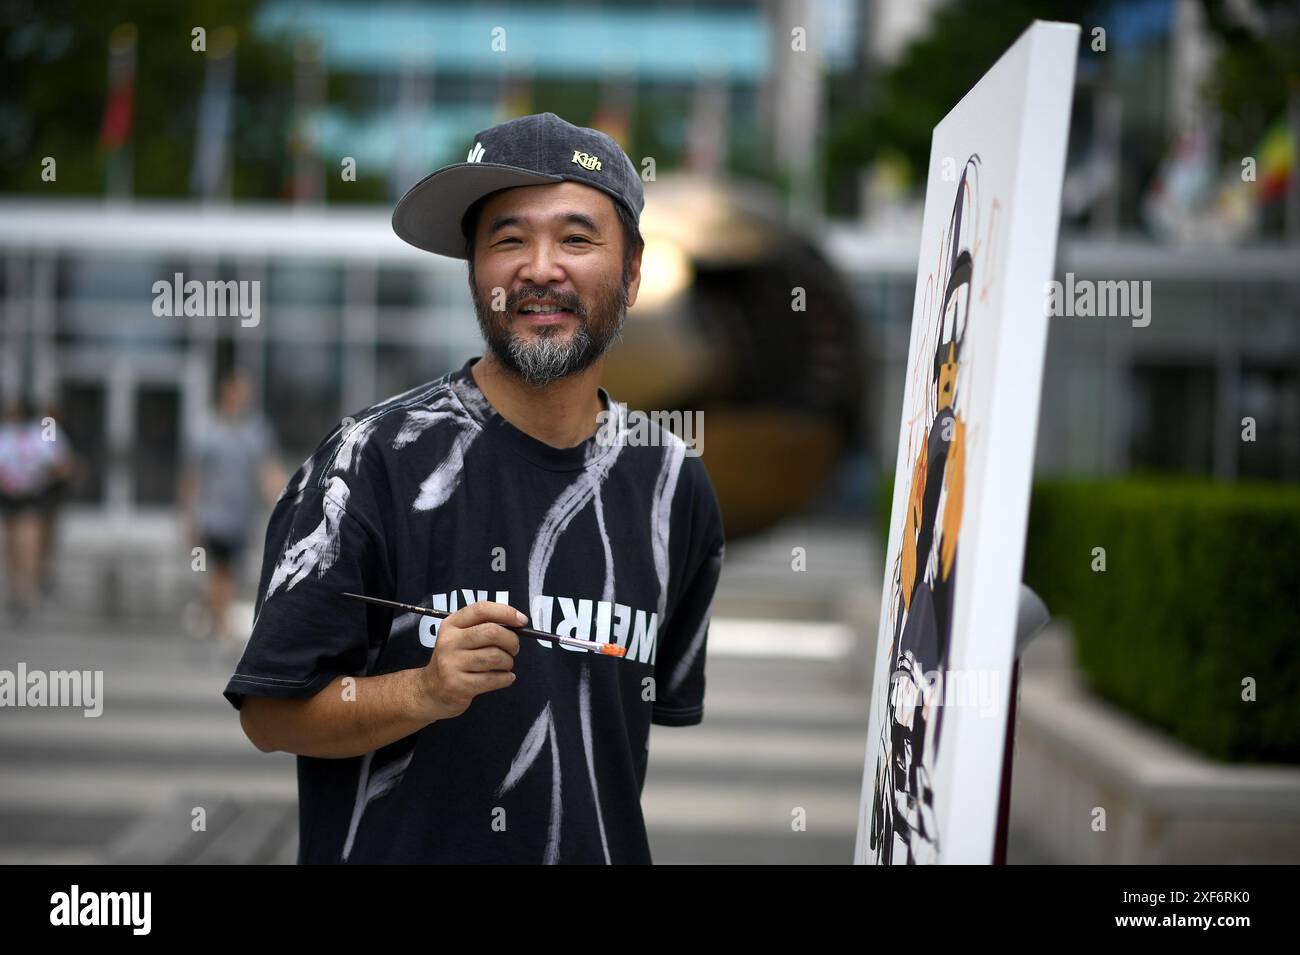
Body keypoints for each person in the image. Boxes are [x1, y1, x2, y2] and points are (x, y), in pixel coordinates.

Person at [224, 112, 726, 864]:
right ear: (474, 271)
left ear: (633, 269)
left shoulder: (672, 485)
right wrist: (420, 691)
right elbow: (269, 712)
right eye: (508, 238)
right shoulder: (370, 460)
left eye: (577, 237)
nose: (540, 267)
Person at [180, 370, 286, 647]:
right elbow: (193, 477)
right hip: (212, 516)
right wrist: (189, 516)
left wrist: (286, 502)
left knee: (228, 573)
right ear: (227, 393)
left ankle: (211, 616)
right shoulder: (206, 430)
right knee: (221, 570)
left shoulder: (256, 431)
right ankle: (221, 626)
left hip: (240, 518)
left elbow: (267, 472)